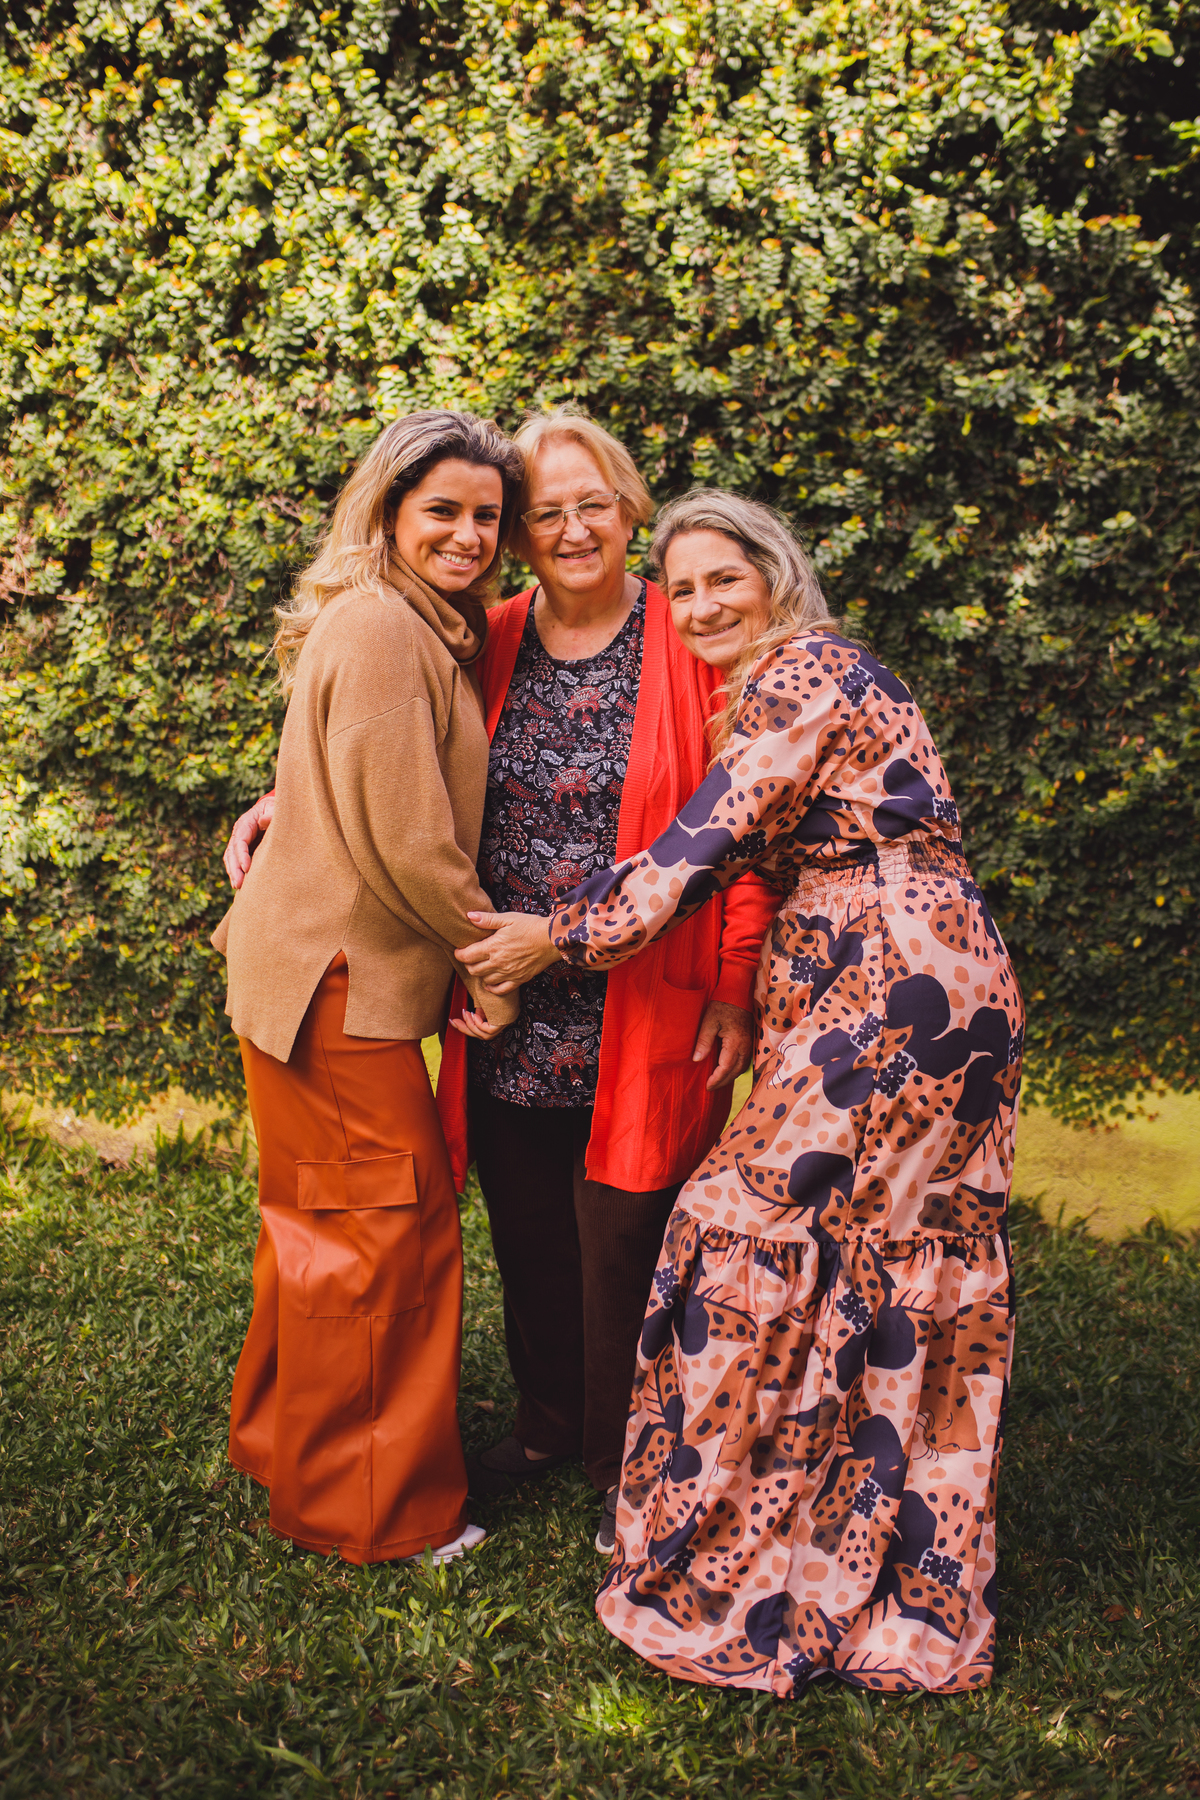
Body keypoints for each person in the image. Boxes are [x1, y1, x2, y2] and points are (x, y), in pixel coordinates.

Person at [463, 489, 1023, 1695]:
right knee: (886, 1259)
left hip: (890, 994)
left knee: (744, 1232)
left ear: (780, 579)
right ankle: (869, 1568)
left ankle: (732, 1569)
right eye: (688, 583)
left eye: (730, 578)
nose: (705, 603)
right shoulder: (820, 675)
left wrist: (546, 939)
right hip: (933, 979)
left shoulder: (801, 669)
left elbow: (695, 852)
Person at [224, 409, 778, 1554]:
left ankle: (630, 1451)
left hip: (627, 990)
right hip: (475, 983)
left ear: (632, 511)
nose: (548, 530)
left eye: (586, 505)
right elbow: (396, 793)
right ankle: (445, 1467)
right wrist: (294, 815)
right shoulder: (462, 631)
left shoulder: (664, 636)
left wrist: (735, 983)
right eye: (532, 513)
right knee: (440, 1230)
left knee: (598, 1230)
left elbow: (750, 826)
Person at [212, 409, 522, 1567]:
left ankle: (282, 1441)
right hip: (340, 985)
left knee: (316, 1223)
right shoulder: (389, 628)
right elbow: (407, 833)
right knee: (390, 1236)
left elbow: (336, 784)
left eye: (487, 516)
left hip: (299, 971)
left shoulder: (394, 621)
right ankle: (374, 1510)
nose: (469, 534)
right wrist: (488, 955)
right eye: (442, 510)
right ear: (389, 510)